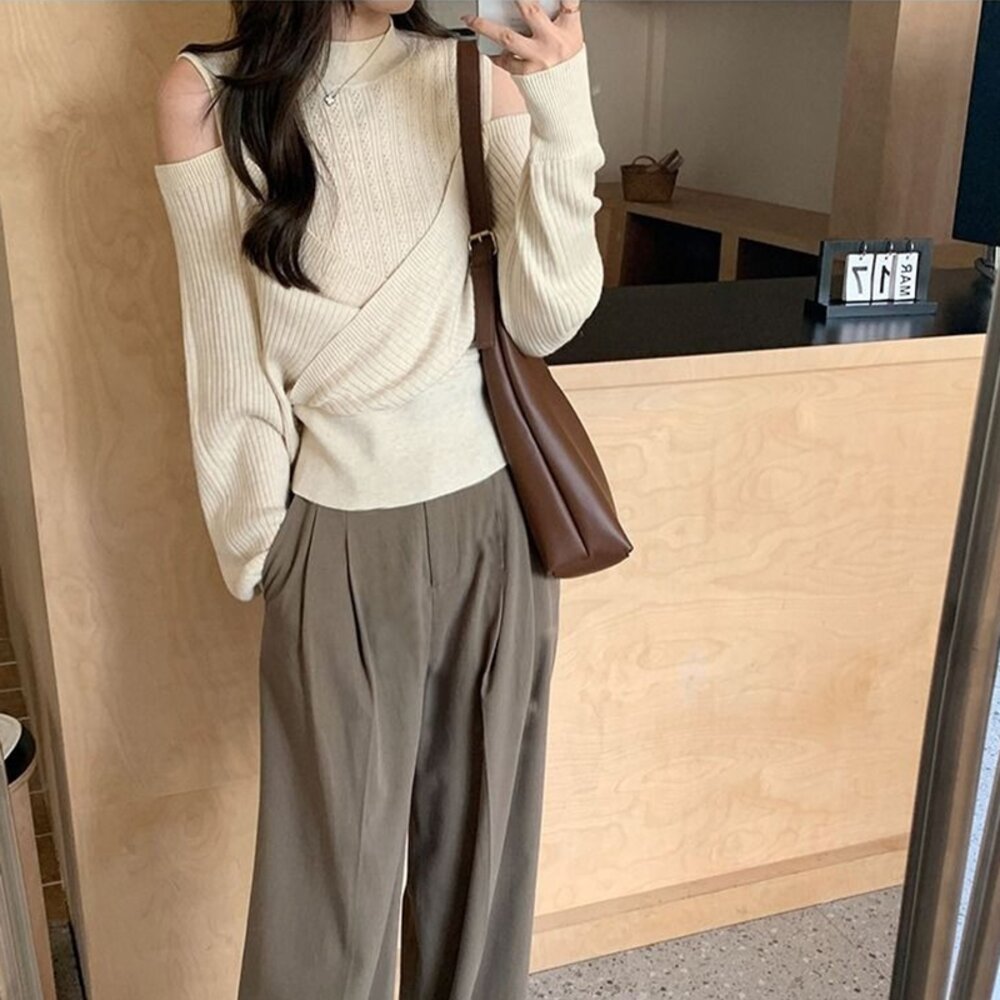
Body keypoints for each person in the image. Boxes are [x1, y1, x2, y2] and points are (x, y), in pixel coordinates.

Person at [152, 1, 604, 996]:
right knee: (325, 896)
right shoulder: (206, 97)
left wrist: (561, 105)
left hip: (495, 528)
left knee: (480, 867)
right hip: (333, 538)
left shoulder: (470, 75)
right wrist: (264, 548)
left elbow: (549, 317)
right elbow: (226, 353)